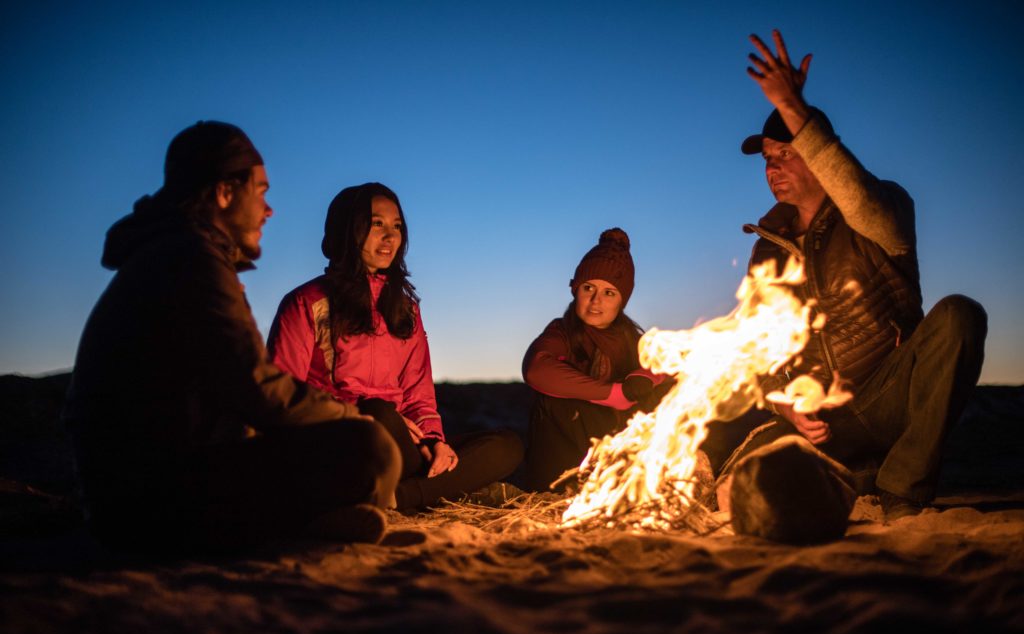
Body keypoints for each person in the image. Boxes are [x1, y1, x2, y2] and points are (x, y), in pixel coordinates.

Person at [64, 122, 401, 553]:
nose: (269, 209)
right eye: (260, 192)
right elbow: (256, 387)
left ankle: (315, 521)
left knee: (362, 447)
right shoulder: (190, 261)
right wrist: (347, 417)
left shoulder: (181, 254)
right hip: (147, 499)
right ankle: (299, 524)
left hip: (140, 487)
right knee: (369, 448)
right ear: (225, 192)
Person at [718, 30, 987, 531]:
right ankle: (852, 477)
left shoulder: (880, 212)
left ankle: (902, 491)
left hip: (886, 398)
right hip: (820, 422)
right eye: (768, 161)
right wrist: (786, 405)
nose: (773, 169)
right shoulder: (767, 247)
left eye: (787, 154)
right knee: (732, 491)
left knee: (958, 316)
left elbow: (855, 193)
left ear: (818, 155)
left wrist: (791, 105)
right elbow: (759, 350)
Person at [267, 182, 523, 511]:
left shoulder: (404, 309)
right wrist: (372, 416)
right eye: (377, 225)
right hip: (347, 441)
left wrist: (434, 441)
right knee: (379, 413)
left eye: (397, 227)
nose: (390, 237)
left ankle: (397, 497)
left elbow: (419, 394)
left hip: (405, 446)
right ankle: (425, 490)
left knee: (507, 445)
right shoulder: (306, 302)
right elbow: (285, 394)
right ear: (348, 229)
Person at [520, 228, 667, 492]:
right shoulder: (561, 332)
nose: (596, 300)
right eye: (589, 288)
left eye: (609, 292)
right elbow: (536, 369)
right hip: (561, 464)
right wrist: (613, 393)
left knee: (663, 394)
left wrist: (645, 376)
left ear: (622, 300)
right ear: (576, 290)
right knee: (555, 399)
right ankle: (567, 489)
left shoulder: (634, 341)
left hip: (613, 453)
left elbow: (667, 366)